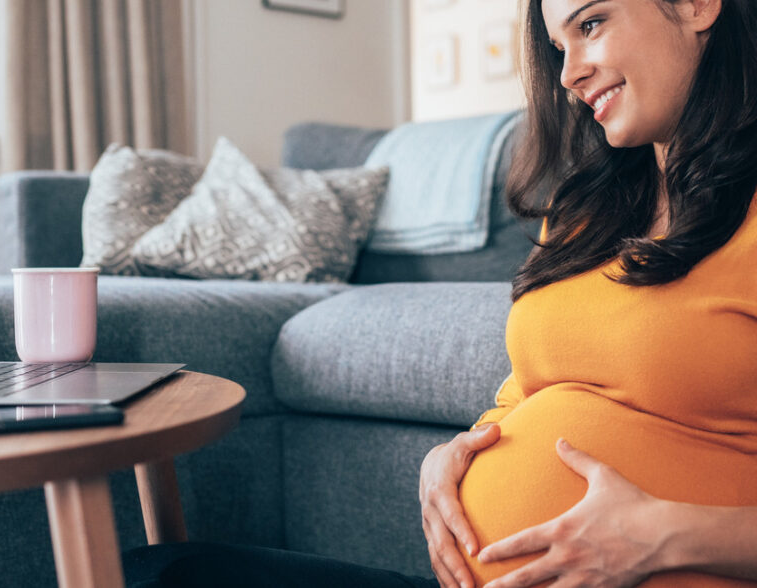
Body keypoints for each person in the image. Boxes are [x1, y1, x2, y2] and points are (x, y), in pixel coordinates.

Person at [126, 0, 757, 586]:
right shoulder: (584, 215)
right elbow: (533, 387)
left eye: (590, 24)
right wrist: (459, 452)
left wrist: (664, 536)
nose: (567, 74)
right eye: (556, 45)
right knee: (159, 572)